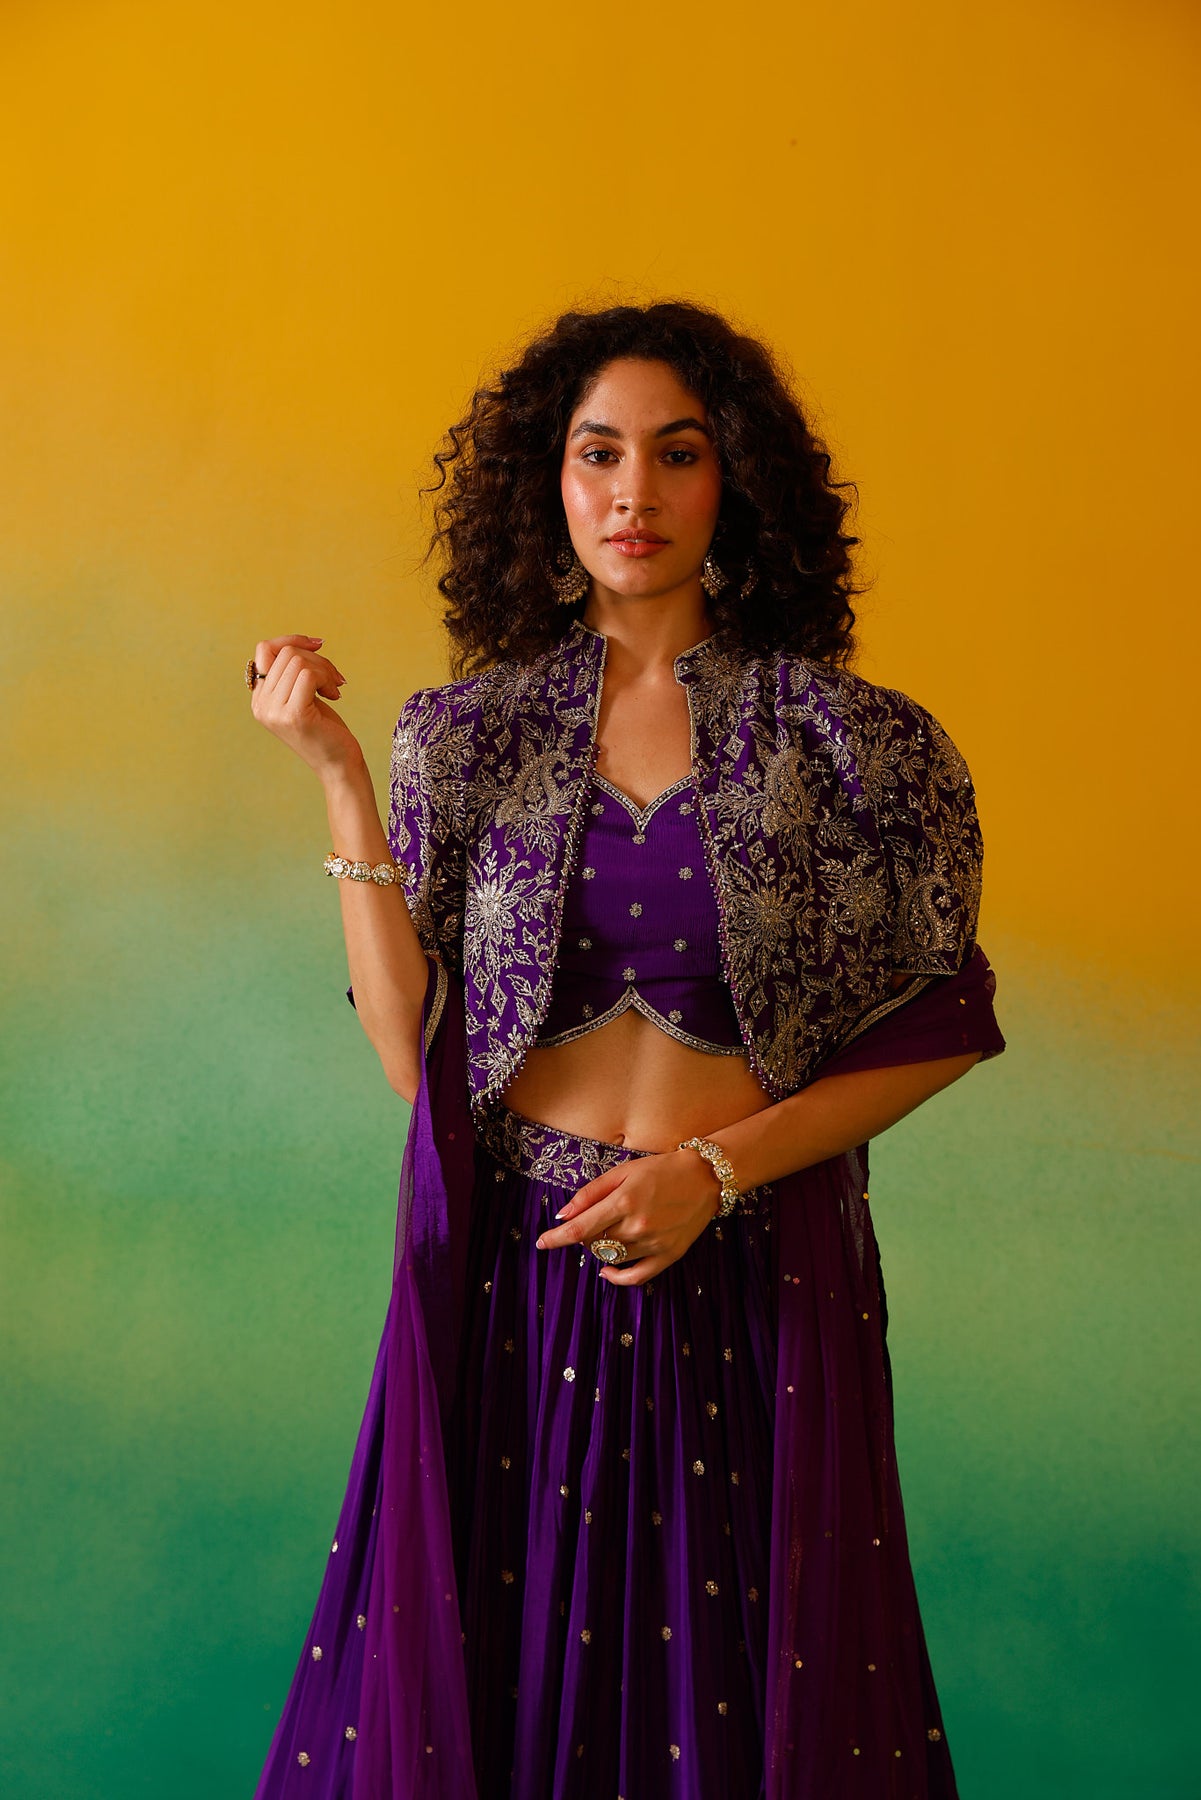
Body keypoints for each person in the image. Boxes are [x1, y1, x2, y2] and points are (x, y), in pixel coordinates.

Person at [248, 301, 1005, 1800]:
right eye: (598, 454)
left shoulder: (854, 742)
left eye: (678, 453)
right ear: (549, 480)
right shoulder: (463, 736)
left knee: (731, 1685)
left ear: (738, 483)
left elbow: (941, 1024)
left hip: (754, 1261)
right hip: (522, 1267)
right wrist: (338, 780)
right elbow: (413, 1059)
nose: (633, 493)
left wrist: (712, 1174)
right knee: (516, 1673)